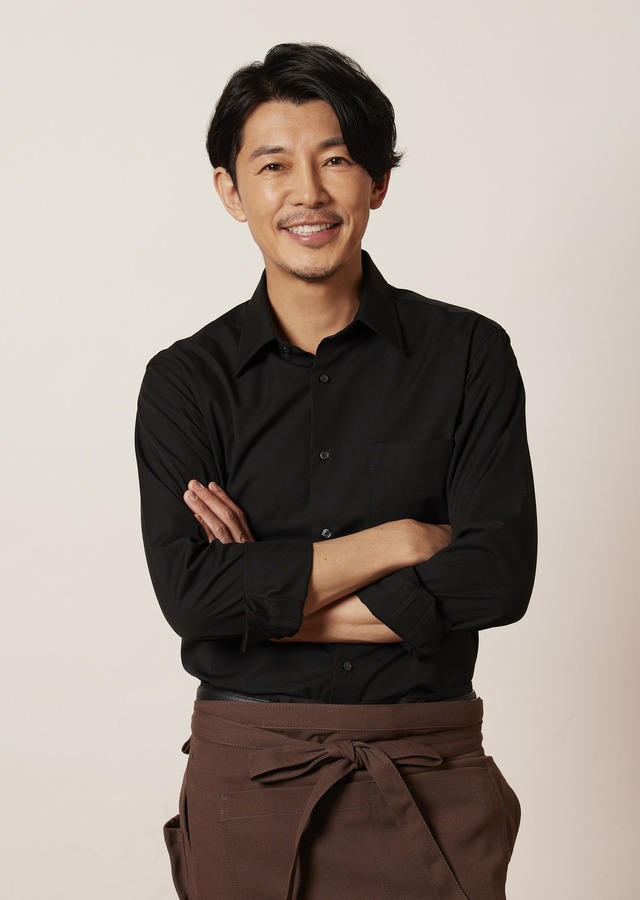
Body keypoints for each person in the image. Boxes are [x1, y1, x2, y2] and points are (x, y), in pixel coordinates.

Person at [135, 42, 536, 900]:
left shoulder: (469, 355)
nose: (308, 193)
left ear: (378, 181)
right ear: (231, 191)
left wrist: (263, 599)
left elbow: (497, 577)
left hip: (427, 772)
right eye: (274, 165)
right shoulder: (185, 382)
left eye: (338, 159)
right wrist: (400, 541)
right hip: (248, 780)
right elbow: (192, 598)